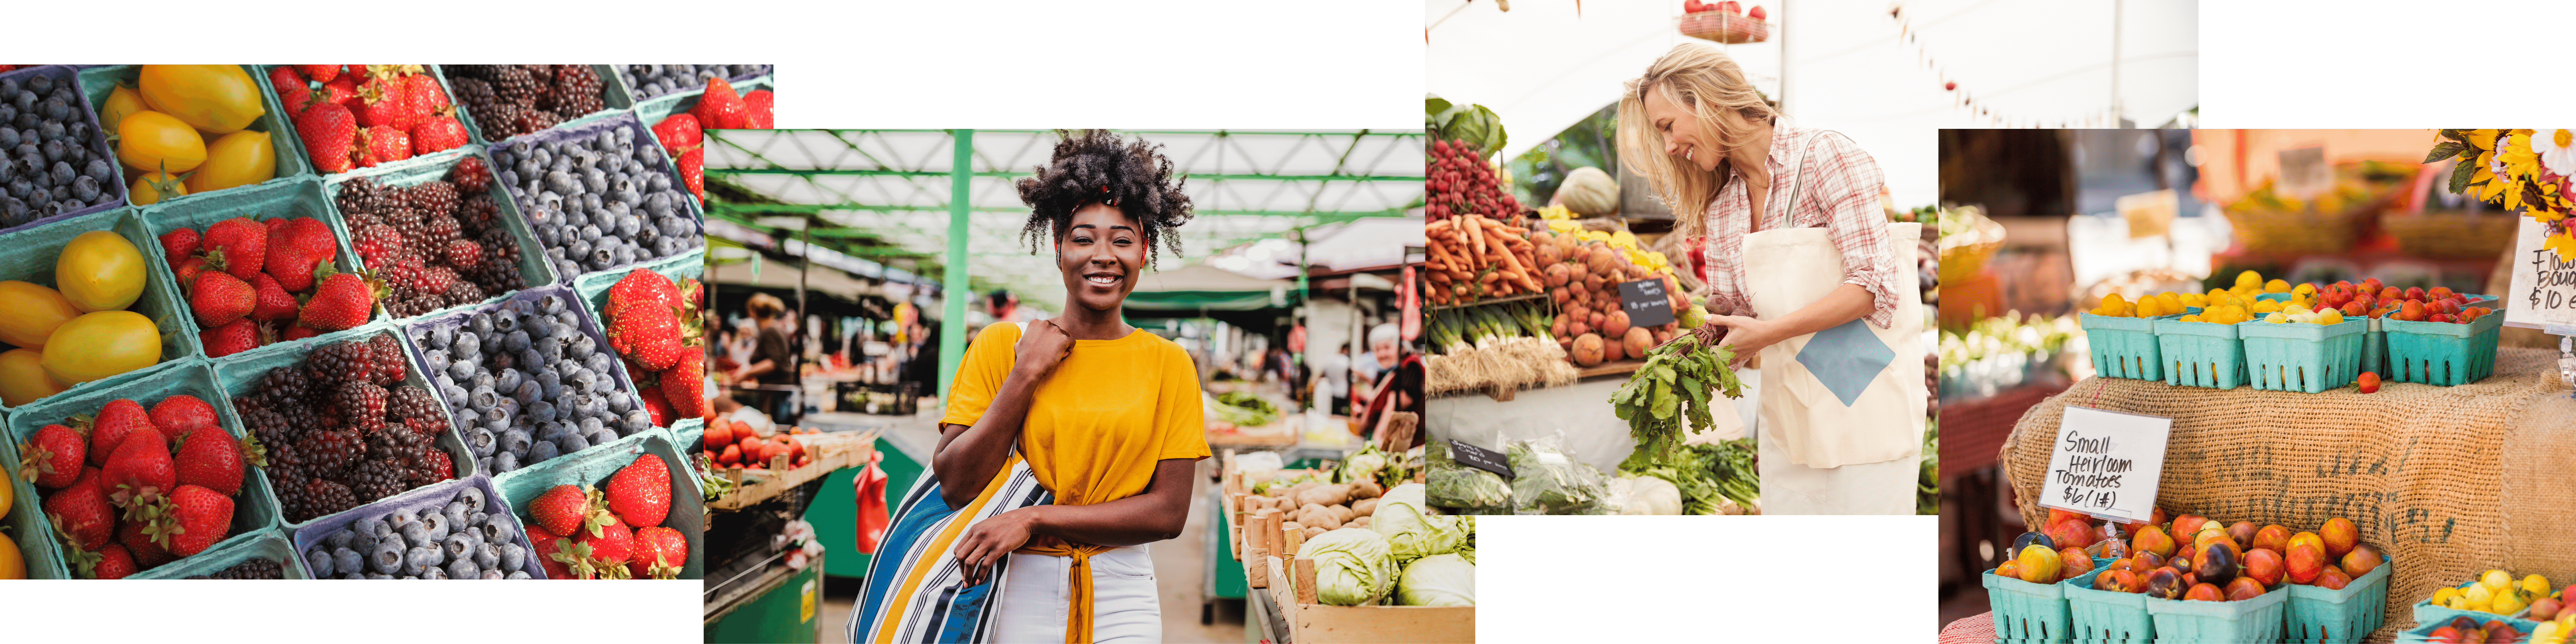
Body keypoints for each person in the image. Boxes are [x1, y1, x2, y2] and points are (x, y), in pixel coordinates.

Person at [854, 130, 1207, 643]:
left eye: (1123, 239)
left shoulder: (1169, 363)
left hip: (1122, 587)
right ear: (1059, 248)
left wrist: (1033, 516)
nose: (1103, 254)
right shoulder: (1004, 345)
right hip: (1013, 582)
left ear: (1144, 251)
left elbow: (1169, 511)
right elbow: (955, 480)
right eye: (1084, 237)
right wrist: (1026, 374)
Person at [1616, 42, 1921, 515]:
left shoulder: (1826, 156)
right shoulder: (1725, 204)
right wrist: (1690, 350)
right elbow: (1736, 310)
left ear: (1705, 99)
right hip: (1793, 404)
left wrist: (1766, 334)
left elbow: (1870, 287)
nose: (1671, 146)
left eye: (1668, 126)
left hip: (1862, 391)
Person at [725, 293, 798, 421]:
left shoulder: (769, 331)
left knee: (774, 430)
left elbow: (773, 363)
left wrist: (747, 372)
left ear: (753, 311)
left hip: (775, 393)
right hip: (779, 391)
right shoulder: (776, 329)